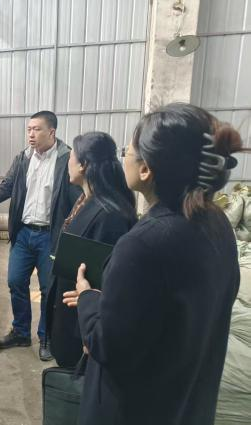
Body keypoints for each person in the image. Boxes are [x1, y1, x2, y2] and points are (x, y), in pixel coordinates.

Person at [63, 103, 242, 425]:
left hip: (133, 408)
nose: (124, 158)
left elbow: (107, 346)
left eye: (127, 151)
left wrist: (88, 297)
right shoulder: (217, 224)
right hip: (186, 401)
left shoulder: (143, 244)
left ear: (145, 169)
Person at [0, 110, 81, 361]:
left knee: (49, 289)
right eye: (29, 129)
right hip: (24, 234)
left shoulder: (66, 159)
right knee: (16, 281)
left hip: (50, 236)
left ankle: (46, 337)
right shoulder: (23, 158)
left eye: (37, 129)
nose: (31, 134)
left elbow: (76, 198)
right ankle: (20, 332)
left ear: (52, 132)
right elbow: (8, 185)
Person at [46, 131, 137, 368]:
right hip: (70, 313)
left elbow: (107, 281)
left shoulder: (110, 215)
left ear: (83, 165)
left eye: (71, 157)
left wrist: (89, 334)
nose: (67, 163)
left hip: (83, 327)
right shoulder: (85, 201)